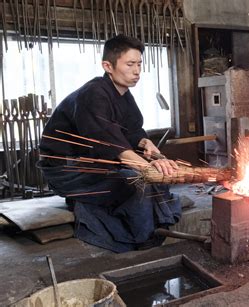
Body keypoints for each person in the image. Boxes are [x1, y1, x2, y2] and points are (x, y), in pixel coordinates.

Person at [38, 35, 181, 253]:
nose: (137, 71)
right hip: (66, 170)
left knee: (156, 183)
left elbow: (132, 131)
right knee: (135, 182)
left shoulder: (123, 94)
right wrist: (149, 167)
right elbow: (111, 144)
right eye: (130, 64)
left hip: (95, 163)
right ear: (108, 66)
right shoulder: (93, 94)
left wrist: (146, 143)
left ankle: (150, 232)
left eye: (139, 64)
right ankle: (138, 242)